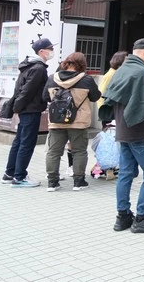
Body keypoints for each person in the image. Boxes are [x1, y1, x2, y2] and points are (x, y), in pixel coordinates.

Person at [102, 38, 144, 234]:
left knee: (125, 174)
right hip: (141, 133)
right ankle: (142, 217)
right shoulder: (141, 72)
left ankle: (123, 216)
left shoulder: (122, 70)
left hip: (123, 131)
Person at [42, 52, 101, 192]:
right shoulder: (86, 79)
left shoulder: (52, 78)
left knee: (53, 152)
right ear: (82, 64)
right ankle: (78, 182)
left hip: (57, 121)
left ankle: (52, 183)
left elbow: (45, 97)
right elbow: (95, 96)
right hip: (79, 122)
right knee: (79, 151)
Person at [2, 37, 53, 188]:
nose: (52, 52)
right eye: (50, 49)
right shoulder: (38, 68)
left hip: (25, 109)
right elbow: (27, 91)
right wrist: (18, 107)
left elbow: (22, 90)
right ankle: (19, 177)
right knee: (26, 143)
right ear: (42, 51)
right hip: (31, 110)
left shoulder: (28, 66)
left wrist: (18, 107)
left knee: (19, 142)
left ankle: (9, 173)